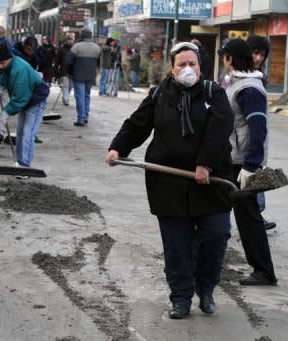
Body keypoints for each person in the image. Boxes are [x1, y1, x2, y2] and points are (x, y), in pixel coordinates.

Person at [105, 41, 234, 319]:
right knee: (177, 245)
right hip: (169, 181)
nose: (188, 69)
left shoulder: (215, 93)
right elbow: (137, 123)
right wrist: (118, 147)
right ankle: (181, 298)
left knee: (216, 236)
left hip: (210, 181)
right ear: (172, 69)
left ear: (200, 67)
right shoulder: (159, 95)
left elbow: (219, 130)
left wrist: (205, 164)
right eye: (182, 65)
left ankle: (206, 288)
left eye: (192, 64)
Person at [219, 38, 277, 286]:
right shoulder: (237, 83)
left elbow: (258, 128)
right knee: (238, 214)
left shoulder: (249, 88)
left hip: (241, 162)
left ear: (230, 59)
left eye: (224, 56)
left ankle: (264, 271)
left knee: (249, 217)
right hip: (234, 158)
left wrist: (251, 165)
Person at [0, 45, 49, 169]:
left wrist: (6, 112)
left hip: (36, 100)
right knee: (20, 132)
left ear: (9, 59)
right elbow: (5, 76)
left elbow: (20, 98)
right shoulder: (10, 64)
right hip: (25, 100)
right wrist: (0, 85)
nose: (0, 66)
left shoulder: (19, 70)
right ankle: (19, 161)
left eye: (2, 63)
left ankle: (25, 164)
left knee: (27, 133)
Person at [245, 34, 276, 231]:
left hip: (256, 141)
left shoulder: (260, 77)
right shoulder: (237, 77)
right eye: (255, 53)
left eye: (262, 55)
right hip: (243, 141)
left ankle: (256, 216)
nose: (258, 58)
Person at [65, 29, 100, 126]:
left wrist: (67, 71)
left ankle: (81, 118)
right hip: (90, 76)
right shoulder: (96, 47)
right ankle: (85, 116)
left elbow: (68, 61)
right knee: (86, 96)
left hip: (78, 75)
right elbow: (99, 63)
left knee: (80, 96)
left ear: (82, 36)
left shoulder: (76, 47)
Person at [56, 38, 73, 106]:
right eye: (69, 40)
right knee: (65, 86)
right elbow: (57, 61)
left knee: (70, 86)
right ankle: (66, 99)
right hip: (64, 71)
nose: (70, 42)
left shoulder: (74, 50)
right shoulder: (61, 50)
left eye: (71, 41)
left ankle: (65, 97)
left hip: (72, 71)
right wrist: (56, 71)